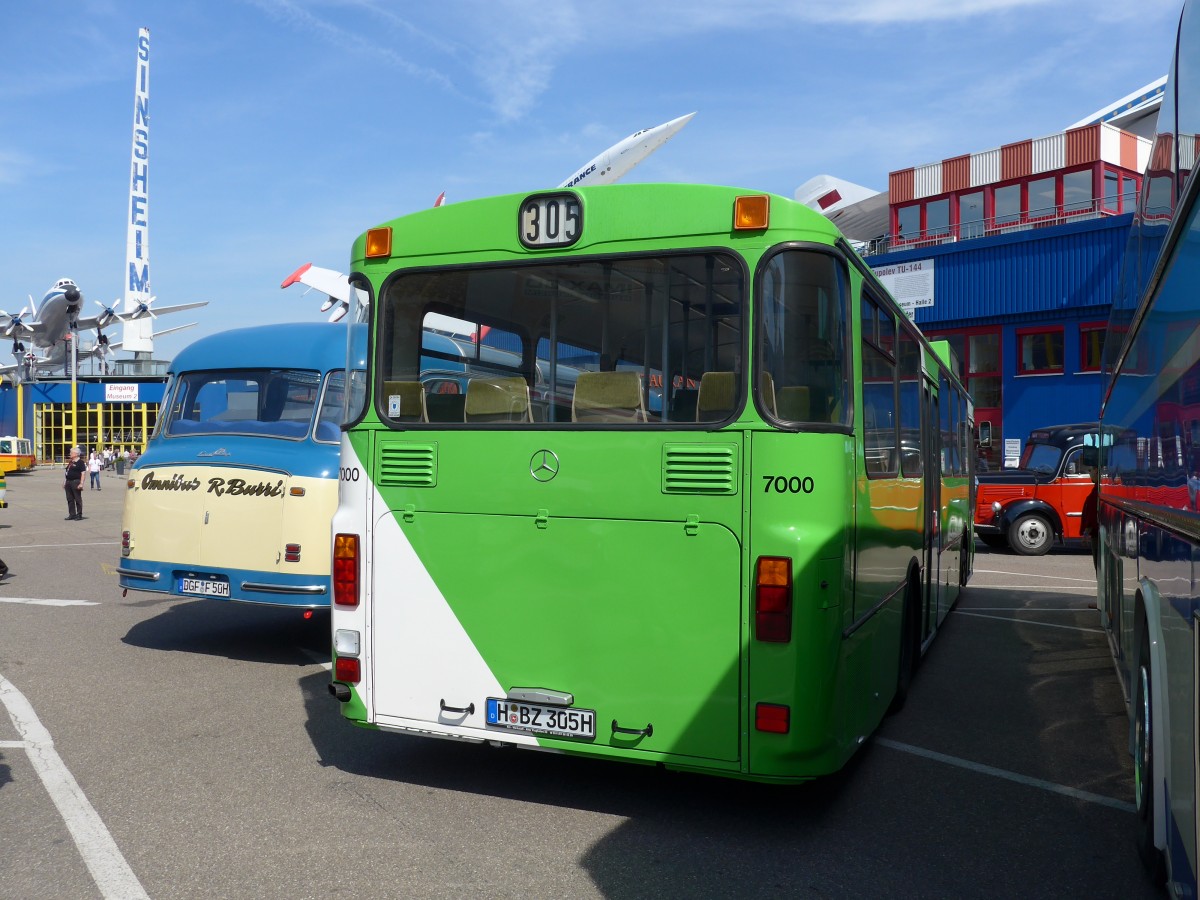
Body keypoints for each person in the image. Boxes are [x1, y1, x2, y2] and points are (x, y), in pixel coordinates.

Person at [64, 447, 86, 520]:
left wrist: (81, 483)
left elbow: (83, 473)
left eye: (71, 452)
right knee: (69, 499)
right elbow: (67, 472)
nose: (70, 454)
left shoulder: (80, 462)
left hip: (75, 482)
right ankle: (72, 514)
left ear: (76, 454)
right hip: (68, 482)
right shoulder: (71, 462)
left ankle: (79, 514)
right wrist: (65, 481)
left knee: (77, 499)